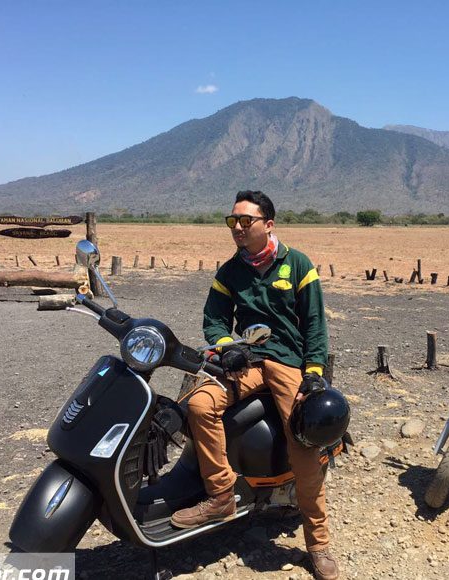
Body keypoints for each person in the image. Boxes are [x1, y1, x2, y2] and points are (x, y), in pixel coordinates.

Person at [171, 190, 340, 580]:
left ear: (269, 224)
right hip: (246, 361)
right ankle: (221, 496)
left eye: (246, 221)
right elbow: (214, 319)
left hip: (288, 363)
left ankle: (318, 544)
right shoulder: (230, 271)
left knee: (303, 445)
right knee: (198, 405)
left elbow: (315, 324)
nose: (238, 228)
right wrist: (227, 347)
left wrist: (313, 372)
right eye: (233, 221)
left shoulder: (297, 264)